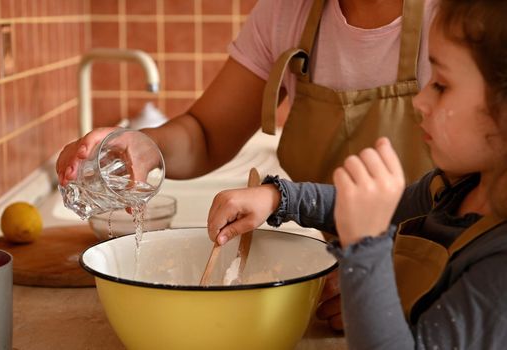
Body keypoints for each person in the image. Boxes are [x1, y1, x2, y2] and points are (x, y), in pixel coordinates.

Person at [57, 0, 436, 331]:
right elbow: (206, 133)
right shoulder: (288, 11)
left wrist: (389, 280)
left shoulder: (454, 15)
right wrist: (145, 146)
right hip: (345, 288)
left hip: (447, 278)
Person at [206, 0, 507, 348]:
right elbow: (367, 204)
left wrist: (365, 250)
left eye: (441, 85)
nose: (420, 101)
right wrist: (277, 198)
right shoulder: (454, 188)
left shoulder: (499, 270)